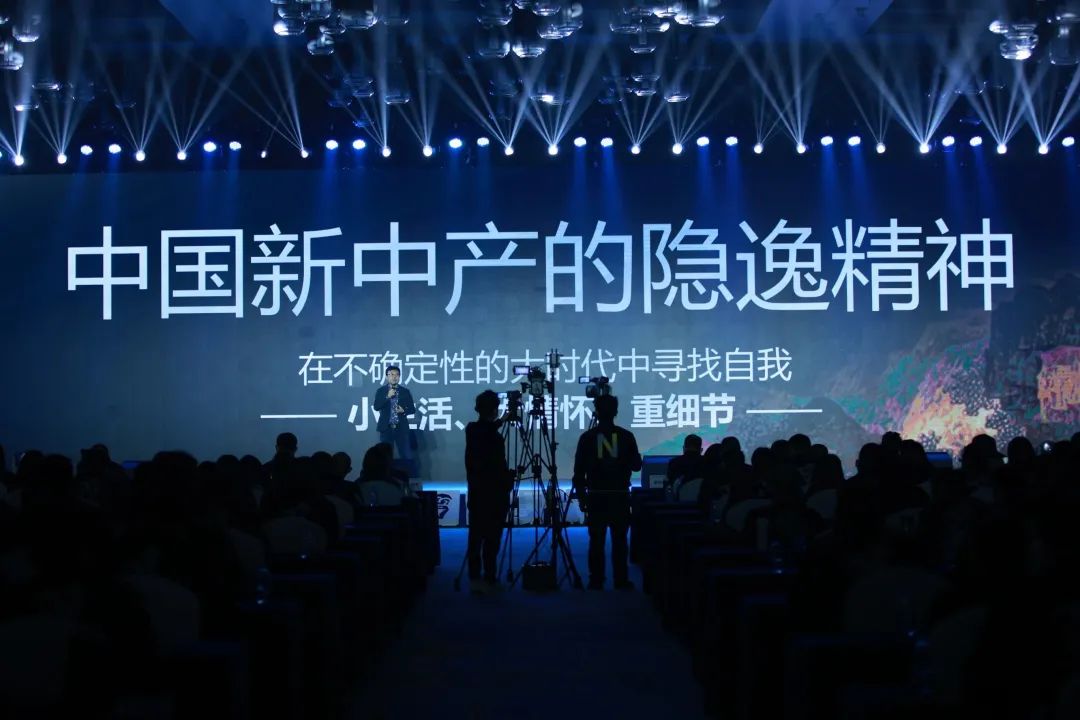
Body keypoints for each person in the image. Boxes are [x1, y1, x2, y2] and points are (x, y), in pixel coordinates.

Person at [573, 395, 641, 590]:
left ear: (596, 412)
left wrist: (582, 496)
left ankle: (596, 580)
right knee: (620, 541)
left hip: (596, 495)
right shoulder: (626, 436)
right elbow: (636, 466)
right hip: (619, 495)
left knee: (596, 541)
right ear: (616, 412)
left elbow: (579, 471)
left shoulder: (587, 438)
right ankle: (621, 580)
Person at [464, 390, 513, 592]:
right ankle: (489, 575)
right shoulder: (488, 435)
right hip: (495, 493)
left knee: (476, 535)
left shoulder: (472, 429)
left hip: (477, 492)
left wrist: (502, 419)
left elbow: (485, 430)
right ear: (494, 410)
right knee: (491, 536)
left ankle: (476, 575)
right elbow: (488, 432)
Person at [372, 365, 416, 470]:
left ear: (399, 377)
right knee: (385, 456)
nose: (394, 377)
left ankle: (406, 477)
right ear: (387, 377)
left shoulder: (405, 391)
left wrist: (403, 411)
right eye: (391, 374)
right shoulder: (381, 391)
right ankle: (385, 477)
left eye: (397, 375)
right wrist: (387, 396)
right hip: (386, 428)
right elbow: (376, 407)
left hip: (401, 428)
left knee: (405, 454)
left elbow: (412, 409)